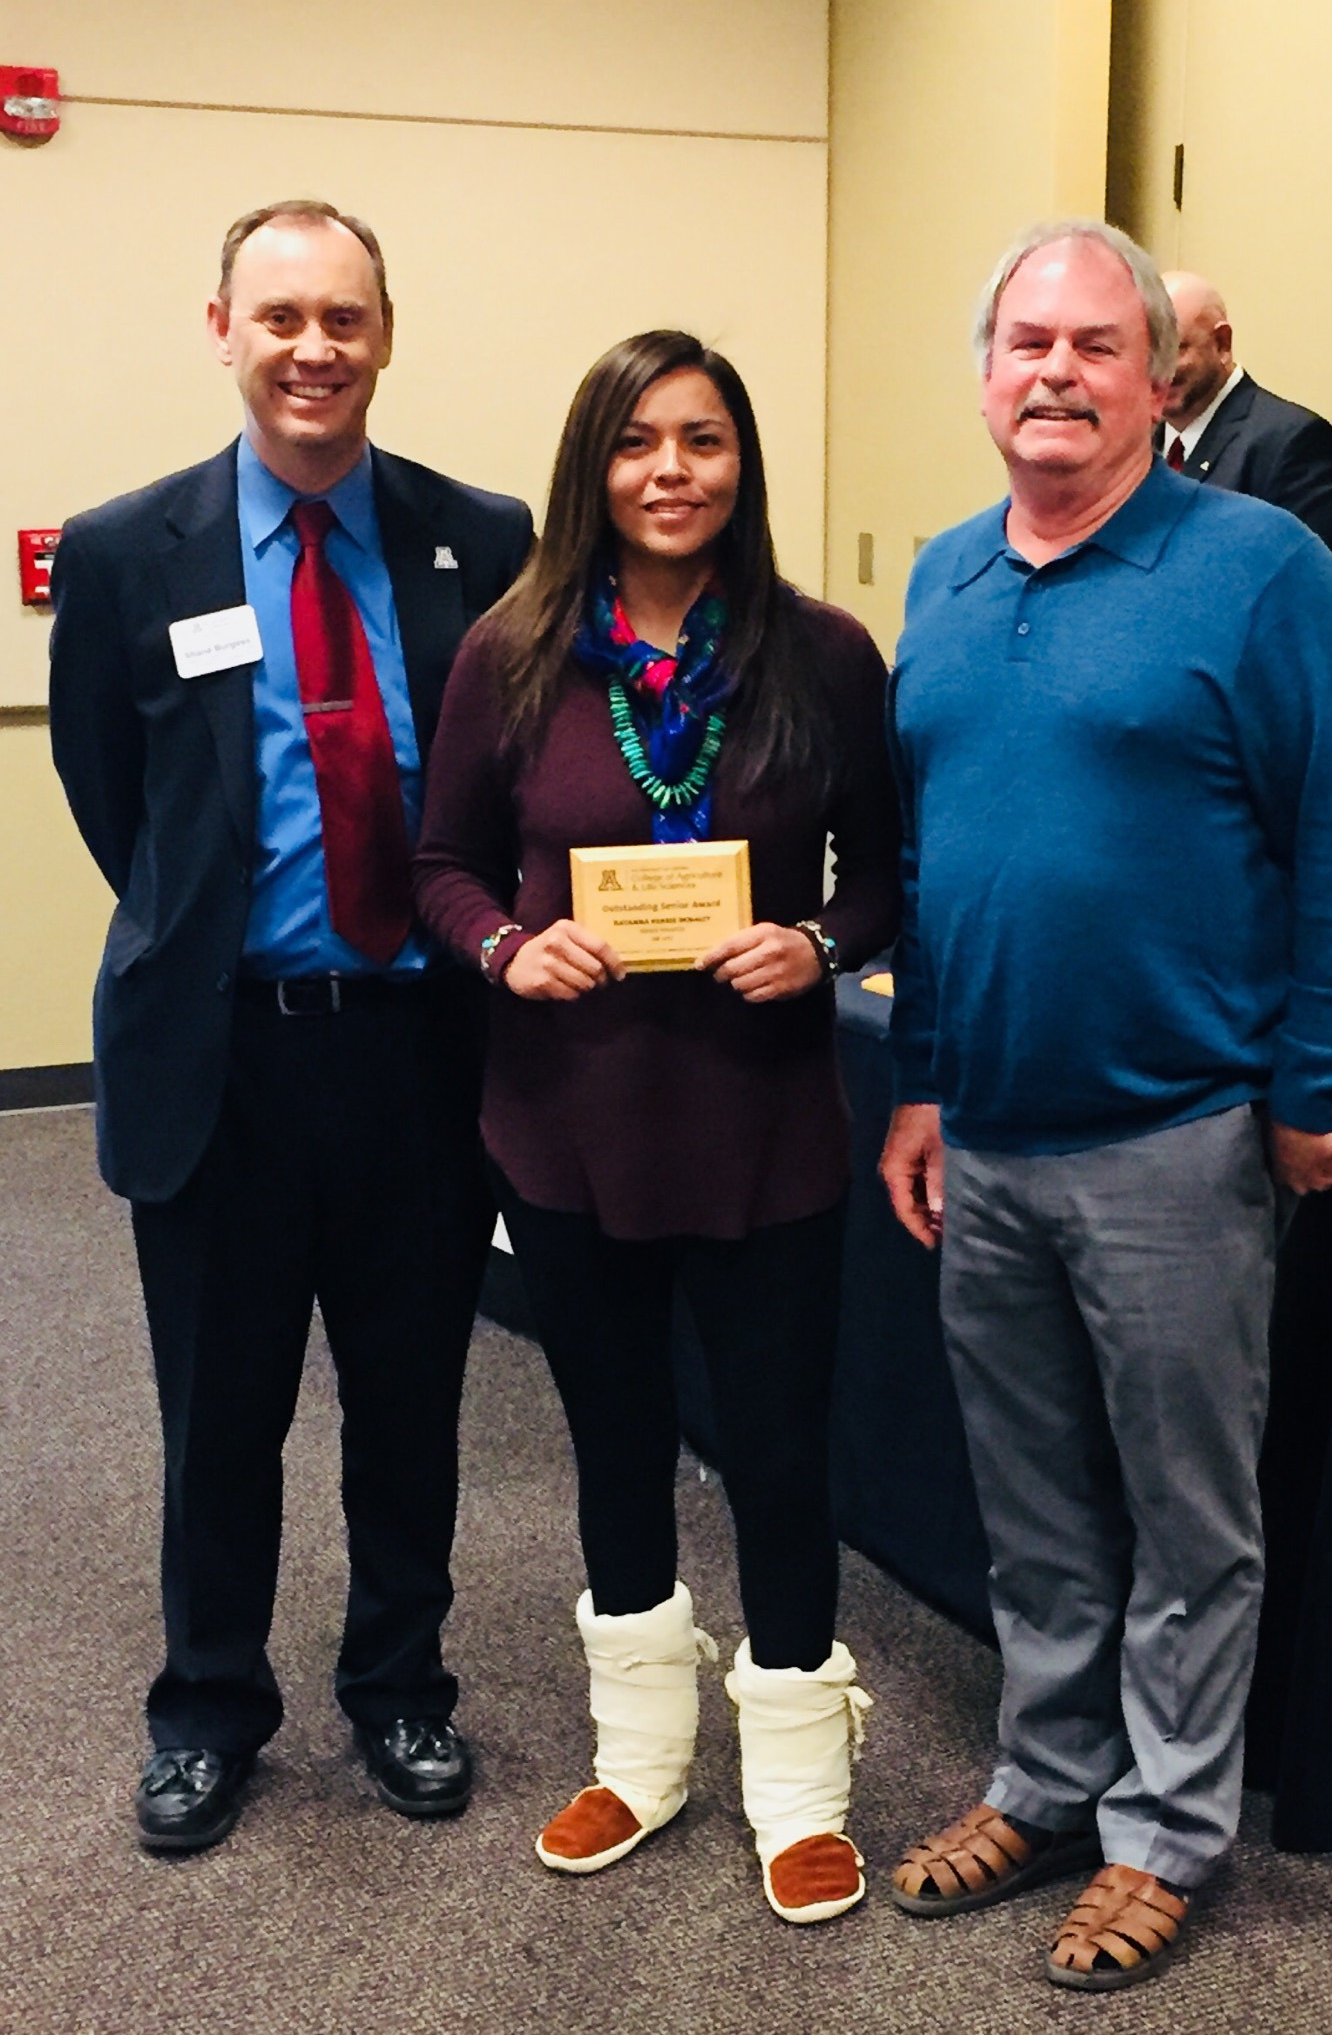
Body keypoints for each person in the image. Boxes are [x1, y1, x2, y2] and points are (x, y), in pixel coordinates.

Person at [879, 220, 1332, 1990]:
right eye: (1026, 340)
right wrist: (923, 1081)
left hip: (1179, 1140)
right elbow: (937, 859)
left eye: (1098, 344)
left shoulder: (1261, 573)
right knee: (1034, 1503)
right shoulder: (947, 580)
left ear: (1163, 374)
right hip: (995, 1134)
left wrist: (1310, 1075)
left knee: (1191, 1520)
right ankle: (1048, 1778)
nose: (1056, 371)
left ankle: (1166, 1832)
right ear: (982, 374)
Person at [49, 199, 532, 1853]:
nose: (312, 347)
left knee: (410, 1396)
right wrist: (219, 941)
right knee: (223, 1406)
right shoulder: (127, 552)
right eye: (280, 318)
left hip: (416, 1049)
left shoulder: (484, 537)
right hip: (226, 1053)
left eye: (343, 316)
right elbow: (114, 799)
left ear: (386, 333)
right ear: (222, 330)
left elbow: (506, 782)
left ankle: (401, 1688)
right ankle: (209, 1707)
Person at [414, 330, 900, 1923]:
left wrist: (821, 944)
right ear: (592, 466)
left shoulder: (821, 654)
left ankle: (798, 1780)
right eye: (637, 442)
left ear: (740, 463)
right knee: (614, 1438)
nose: (671, 471)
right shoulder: (510, 652)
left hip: (764, 1124)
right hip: (566, 1123)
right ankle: (641, 1753)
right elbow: (441, 867)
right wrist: (505, 943)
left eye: (701, 439)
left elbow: (886, 876)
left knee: (775, 1448)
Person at [1158, 269, 1332, 573]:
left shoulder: (1293, 442)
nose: (1158, 371)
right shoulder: (1134, 437)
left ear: (1222, 343)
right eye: (1147, 353)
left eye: (1175, 349)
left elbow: (1313, 594)